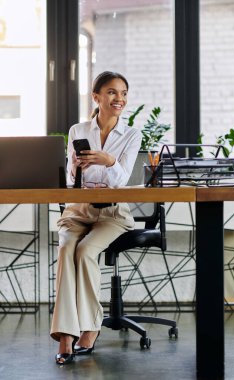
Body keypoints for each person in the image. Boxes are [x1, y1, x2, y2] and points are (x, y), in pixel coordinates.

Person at [51, 71, 142, 365]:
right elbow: (69, 181)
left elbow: (122, 180)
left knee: (86, 250)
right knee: (67, 249)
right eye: (113, 92)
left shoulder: (131, 135)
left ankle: (90, 327)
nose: (120, 99)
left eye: (124, 93)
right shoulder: (78, 131)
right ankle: (66, 335)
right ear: (97, 97)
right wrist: (77, 168)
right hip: (78, 210)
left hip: (112, 212)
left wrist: (108, 160)